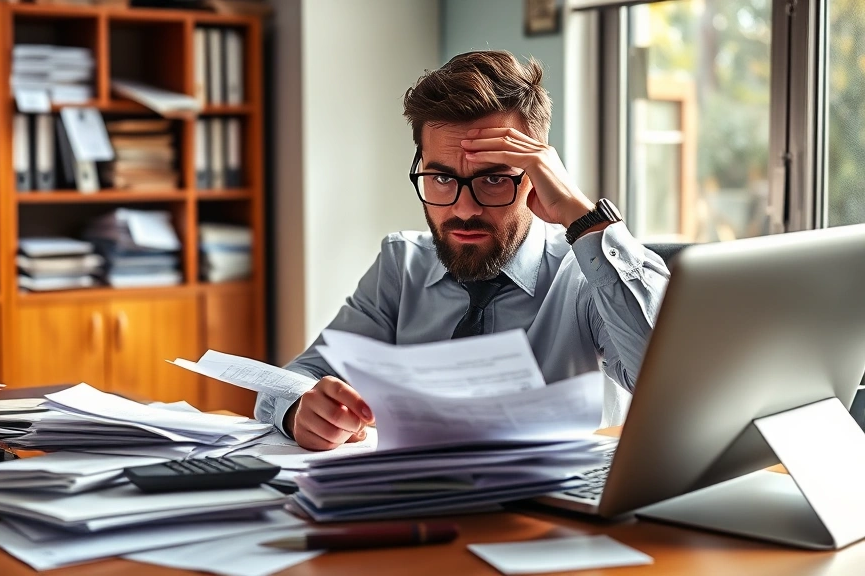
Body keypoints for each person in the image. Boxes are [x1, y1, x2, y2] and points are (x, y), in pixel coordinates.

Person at [256, 50, 670, 451]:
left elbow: (668, 383)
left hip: (554, 509)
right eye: (440, 178)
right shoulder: (401, 267)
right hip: (417, 506)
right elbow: (294, 379)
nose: (463, 209)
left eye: (493, 180)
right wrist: (299, 409)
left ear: (537, 176)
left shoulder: (584, 277)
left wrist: (582, 217)